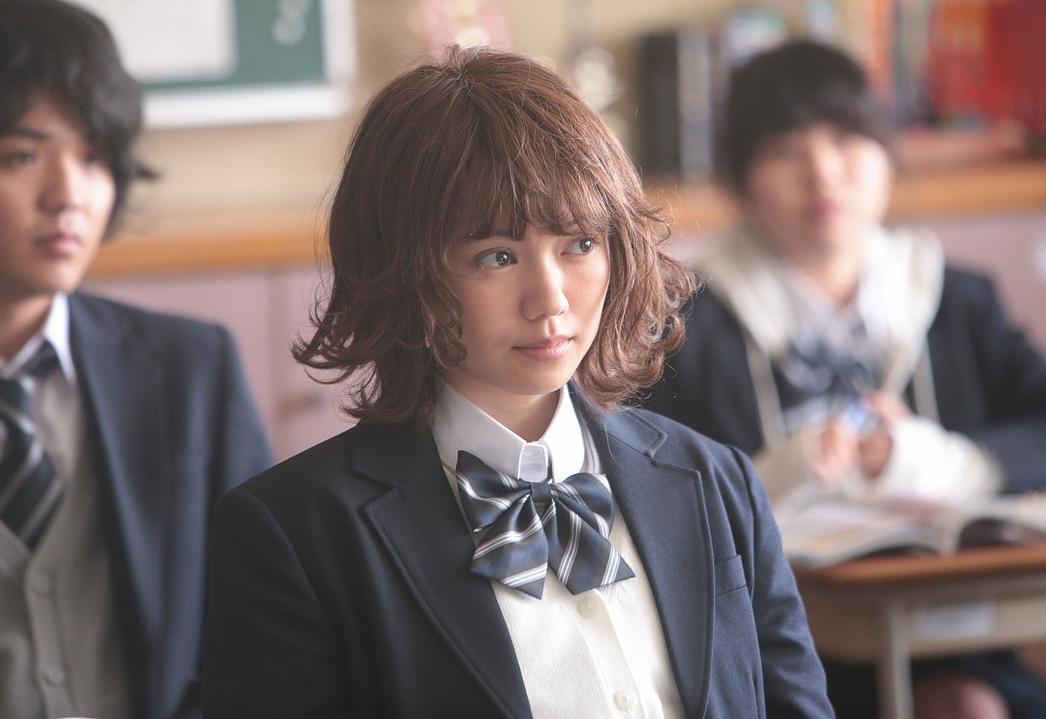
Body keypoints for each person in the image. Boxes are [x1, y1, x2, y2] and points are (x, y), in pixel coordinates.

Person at [201, 47, 834, 718]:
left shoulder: (716, 481)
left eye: (579, 244)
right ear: (402, 272)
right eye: (497, 257)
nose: (549, 298)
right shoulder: (294, 536)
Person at [643, 39, 1046, 718]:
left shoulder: (955, 300)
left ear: (886, 152)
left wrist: (948, 461)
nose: (824, 174)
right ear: (743, 177)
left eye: (847, 139)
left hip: (956, 638)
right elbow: (645, 497)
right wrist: (769, 477)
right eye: (785, 148)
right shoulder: (689, 328)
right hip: (769, 664)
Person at [0, 2, 274, 718]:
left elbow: (266, 620)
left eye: (93, 158)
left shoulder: (191, 370)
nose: (68, 195)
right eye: (22, 155)